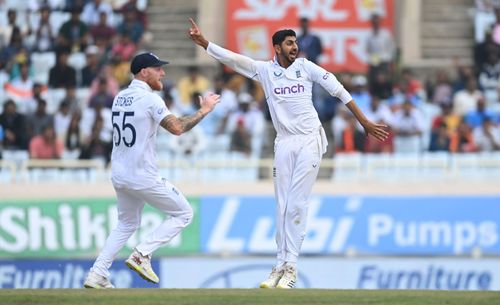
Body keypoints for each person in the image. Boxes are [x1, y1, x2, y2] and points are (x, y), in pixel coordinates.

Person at [188, 18, 388, 289]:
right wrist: (205, 44)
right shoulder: (264, 71)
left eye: (296, 42)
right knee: (282, 206)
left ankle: (291, 267)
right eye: (290, 43)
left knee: (296, 203)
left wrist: (363, 121)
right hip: (284, 142)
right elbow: (235, 60)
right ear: (277, 47)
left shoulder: (306, 67)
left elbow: (339, 90)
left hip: (309, 140)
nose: (295, 47)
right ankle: (279, 265)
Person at [83, 52, 220, 289]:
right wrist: (204, 111)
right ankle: (142, 254)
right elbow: (177, 128)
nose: (163, 73)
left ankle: (97, 273)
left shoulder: (120, 97)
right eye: (158, 69)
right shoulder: (151, 100)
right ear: (144, 72)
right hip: (142, 175)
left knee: (126, 224)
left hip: (119, 174)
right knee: (184, 213)